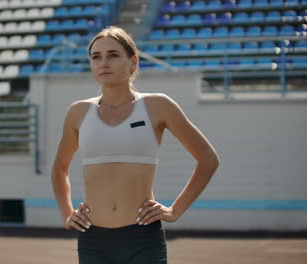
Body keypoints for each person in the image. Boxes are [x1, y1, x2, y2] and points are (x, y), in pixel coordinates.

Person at [51, 26, 220, 264]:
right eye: (96, 57)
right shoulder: (78, 112)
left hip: (143, 237)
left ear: (133, 62)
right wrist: (67, 213)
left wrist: (175, 210)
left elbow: (208, 159)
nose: (103, 63)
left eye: (113, 55)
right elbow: (59, 168)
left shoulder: (158, 106)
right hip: (93, 240)